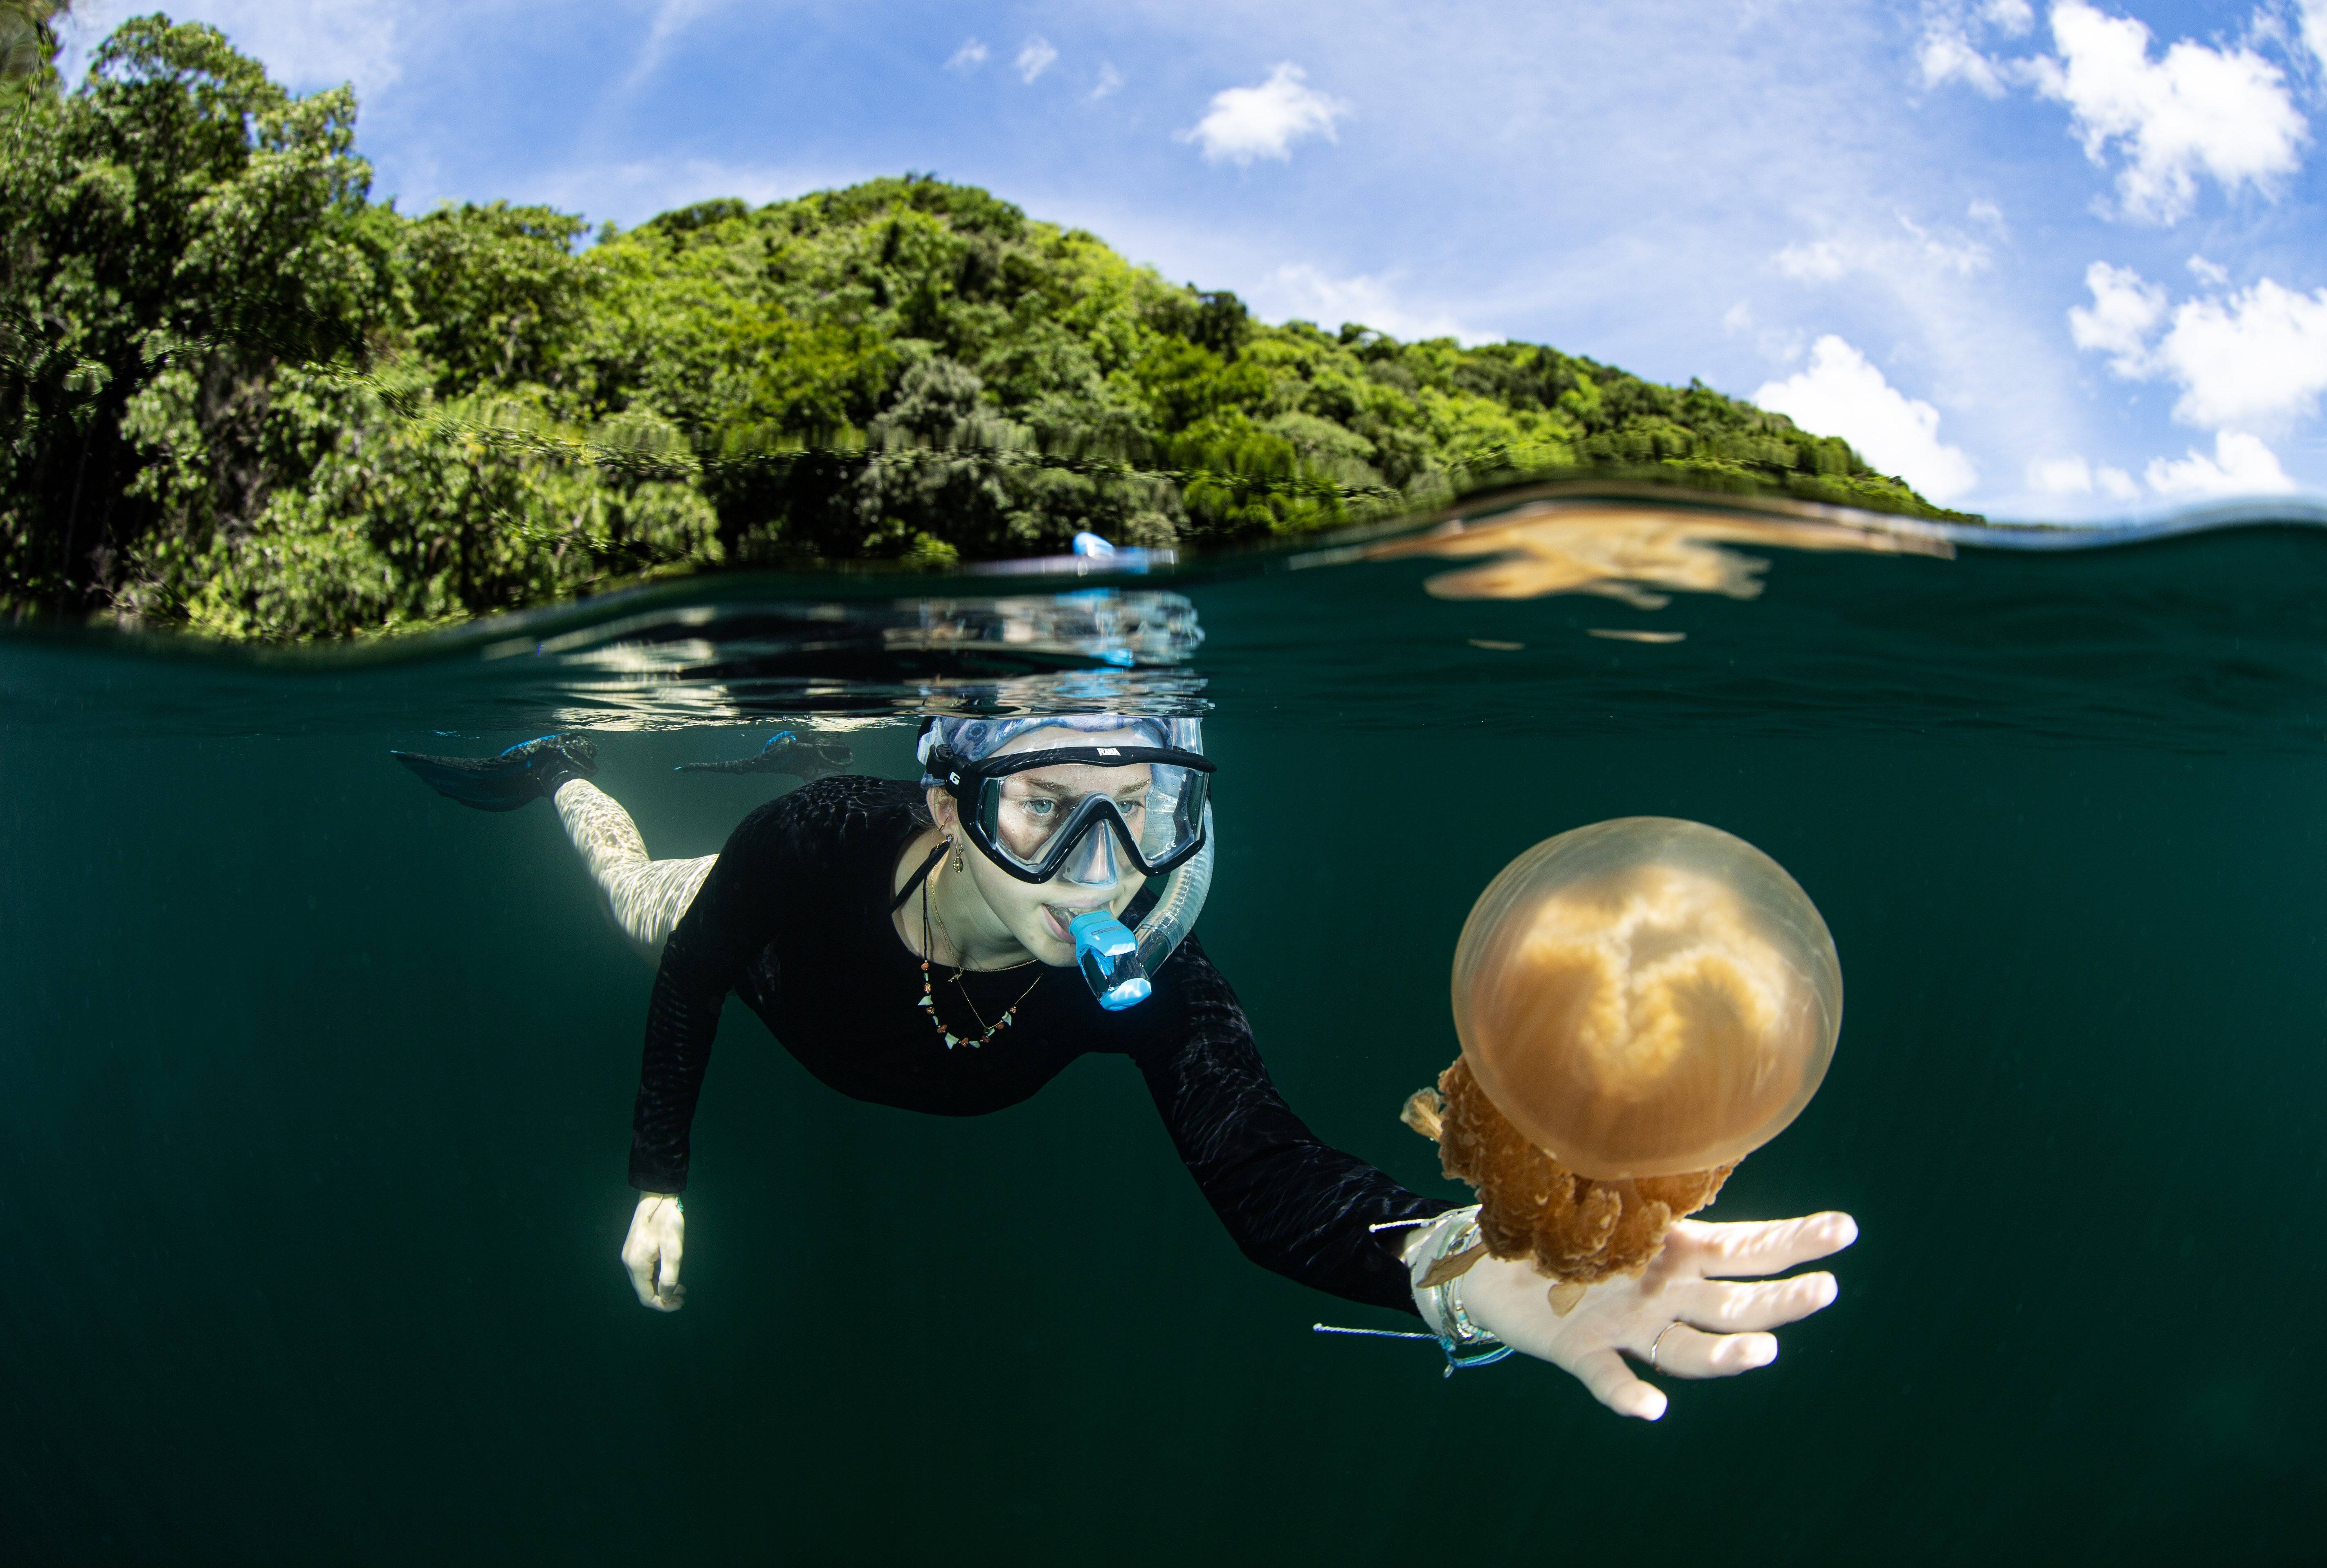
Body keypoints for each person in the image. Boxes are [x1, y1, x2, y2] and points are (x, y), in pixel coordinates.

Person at [394, 717, 1856, 1421]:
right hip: (771, 962)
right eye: (1044, 810)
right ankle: (563, 770)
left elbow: (1260, 1164)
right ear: (952, 799)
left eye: (1137, 811)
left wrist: (1467, 1268)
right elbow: (700, 980)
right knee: (637, 902)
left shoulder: (1140, 970)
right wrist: (659, 1176)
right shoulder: (813, 836)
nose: (1096, 875)